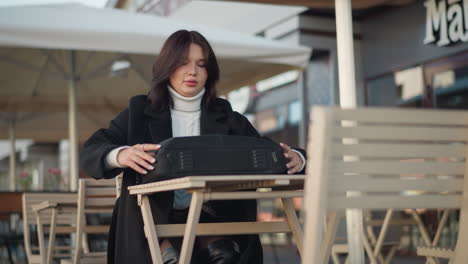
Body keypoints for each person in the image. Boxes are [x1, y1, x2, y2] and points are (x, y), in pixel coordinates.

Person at [80, 29, 306, 264]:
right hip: (150, 223)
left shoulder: (226, 115)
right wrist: (121, 154)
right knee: (170, 259)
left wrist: (299, 158)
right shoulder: (139, 112)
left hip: (212, 221)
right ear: (167, 67)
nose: (192, 71)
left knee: (225, 254)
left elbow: (272, 154)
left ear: (210, 72)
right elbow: (90, 151)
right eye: (183, 63)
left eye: (201, 64)